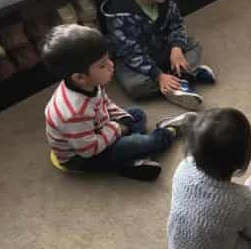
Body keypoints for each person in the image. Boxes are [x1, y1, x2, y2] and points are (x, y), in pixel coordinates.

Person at [42, 24, 196, 181]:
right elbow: (88, 150)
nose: (111, 65)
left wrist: (124, 121)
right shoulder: (73, 113)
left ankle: (133, 159)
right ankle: (168, 131)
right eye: (102, 65)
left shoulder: (89, 84)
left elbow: (106, 104)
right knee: (147, 141)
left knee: (137, 114)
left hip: (98, 129)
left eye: (108, 59)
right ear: (80, 77)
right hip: (82, 157)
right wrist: (117, 128)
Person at [101, 0, 215, 110]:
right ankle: (183, 79)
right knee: (135, 86)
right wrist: (158, 75)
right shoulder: (119, 11)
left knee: (194, 44)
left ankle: (175, 81)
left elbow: (176, 23)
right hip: (134, 60)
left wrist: (176, 47)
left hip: (162, 48)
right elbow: (130, 52)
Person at [167, 108, 251, 249]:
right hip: (237, 222)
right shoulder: (243, 200)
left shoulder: (183, 167)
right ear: (241, 158)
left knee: (234, 217)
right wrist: (249, 201)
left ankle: (250, 209)